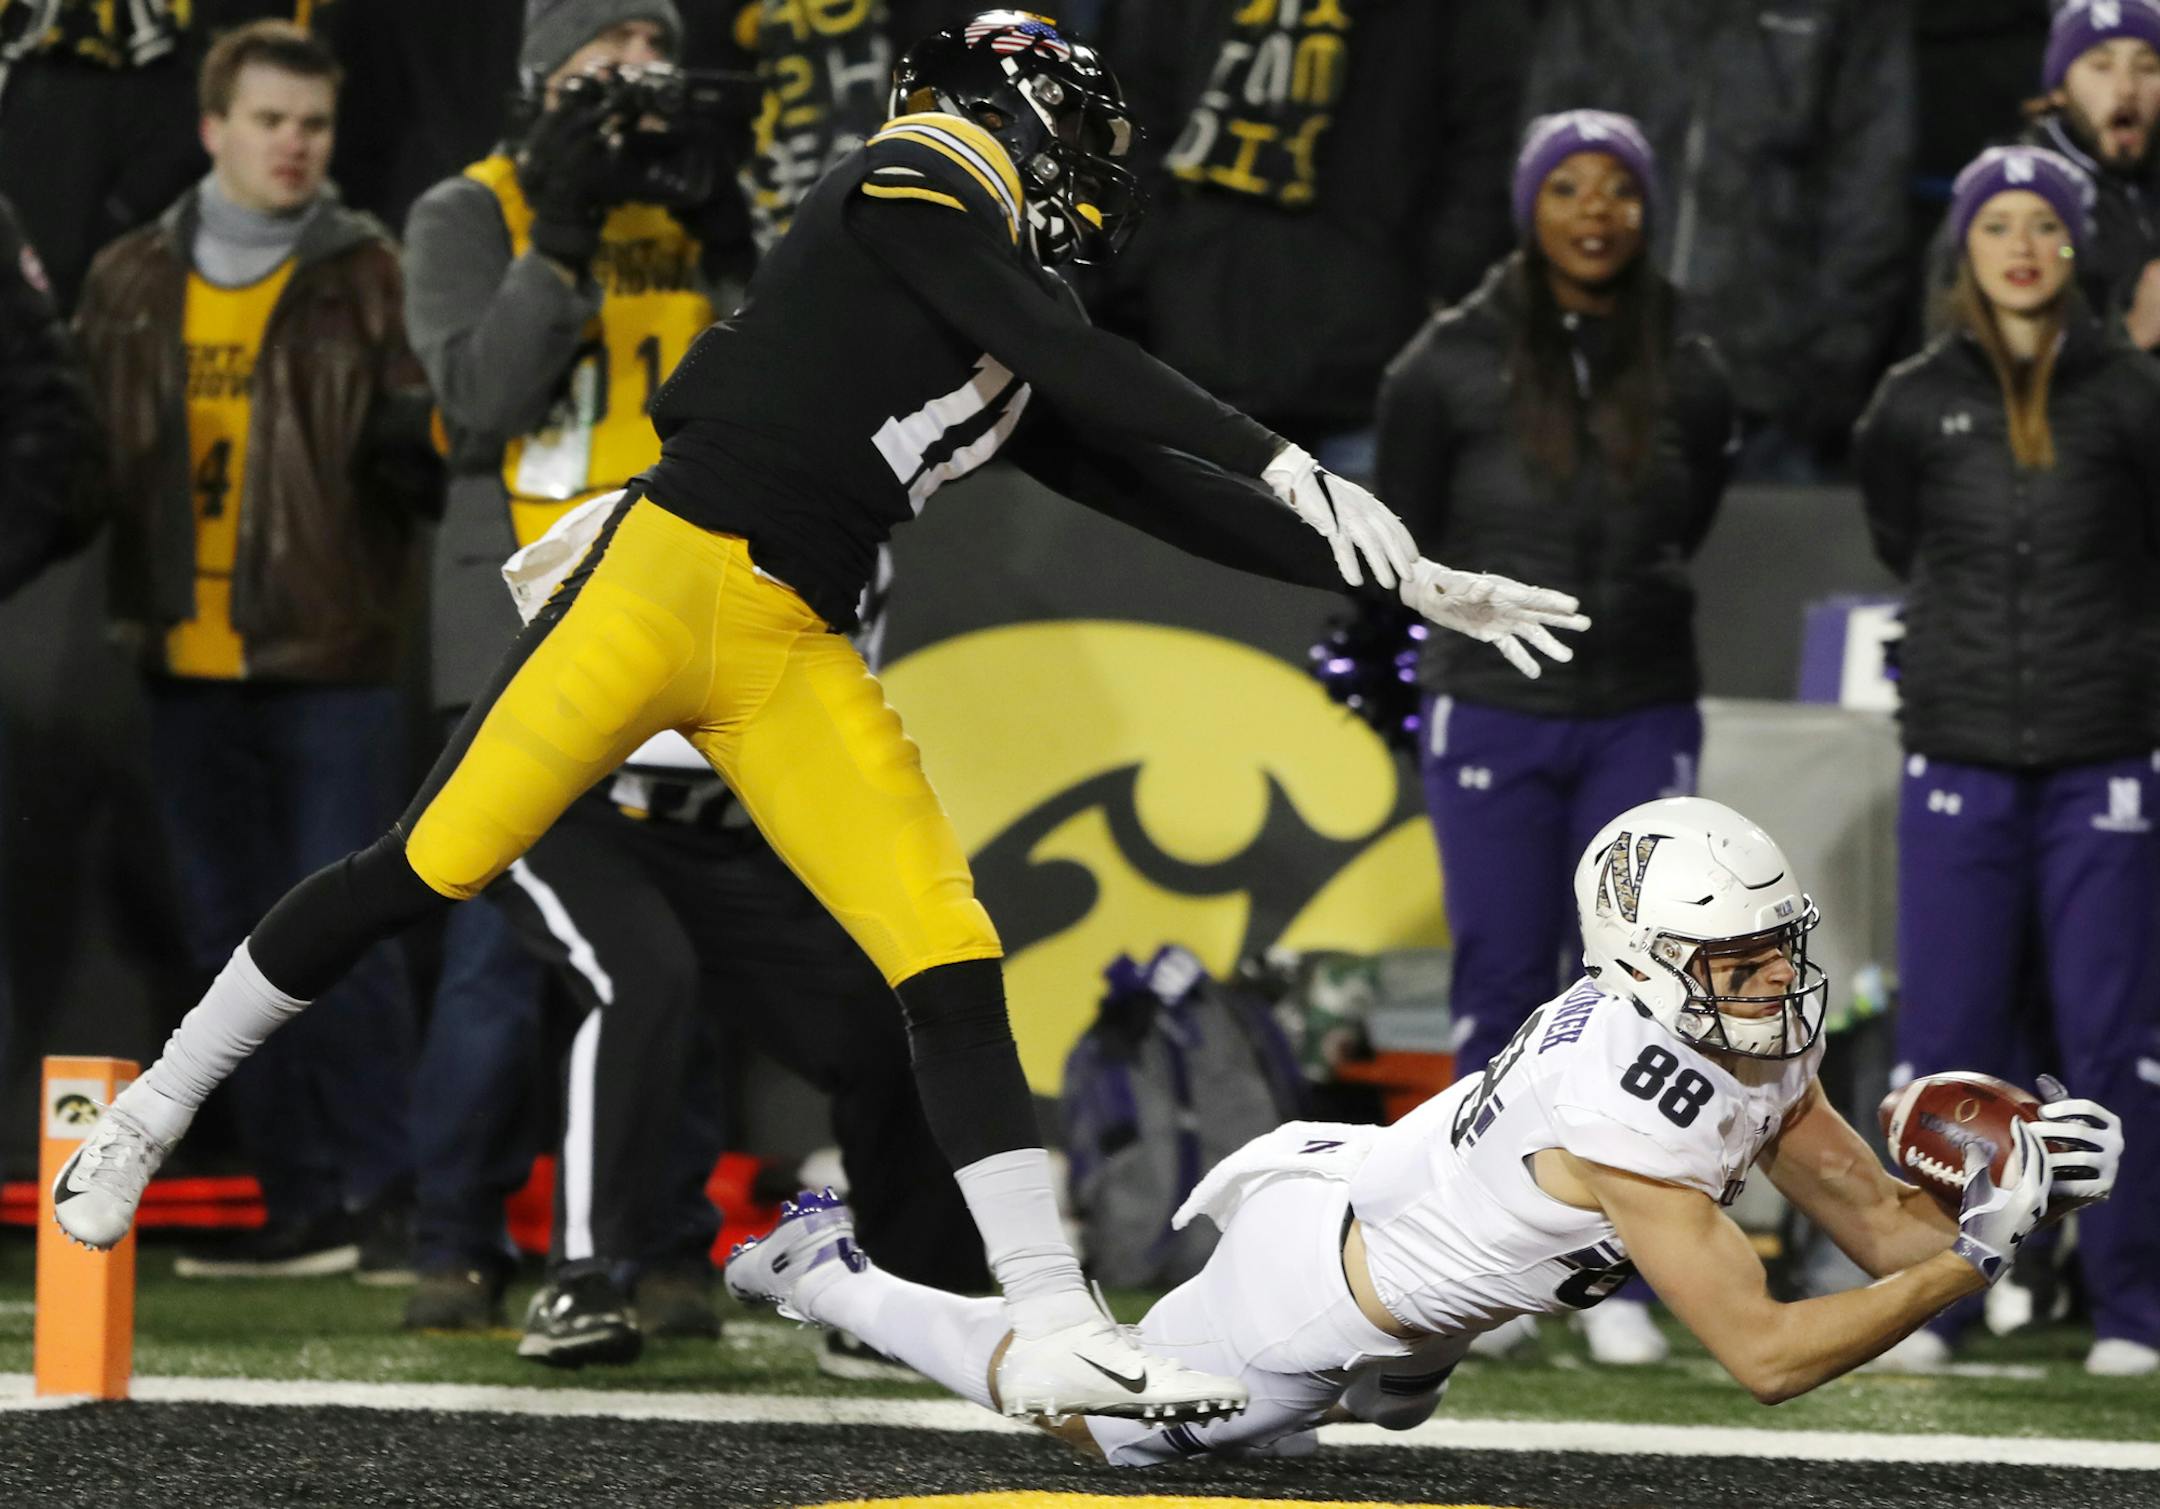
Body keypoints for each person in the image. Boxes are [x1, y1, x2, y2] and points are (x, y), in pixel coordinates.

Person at [53, 10, 1586, 1423]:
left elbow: (1138, 479)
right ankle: (152, 1114)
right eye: (1084, 148)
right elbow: (1079, 361)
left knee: (944, 943)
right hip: (666, 576)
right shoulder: (917, 175)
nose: (1096, 185)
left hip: (789, 636)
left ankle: (1052, 1315)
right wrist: (1279, 453)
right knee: (424, 865)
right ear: (1025, 120)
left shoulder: (996, 303)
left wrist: (1408, 581)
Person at [725, 797, 2126, 1463]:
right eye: (1736, 959)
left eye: (1779, 946)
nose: (1772, 981)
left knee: (1410, 1360)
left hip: (1394, 1193)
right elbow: (1764, 1356)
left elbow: (1879, 1223)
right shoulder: (1630, 1100)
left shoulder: (1739, 1027)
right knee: (1082, 1415)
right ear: (1646, 964)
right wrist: (1973, 1263)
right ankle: (826, 1271)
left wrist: (2019, 1193)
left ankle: (1405, 1374)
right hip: (1313, 1292)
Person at [67, 19, 438, 1280]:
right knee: (227, 940)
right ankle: (299, 1205)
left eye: (315, 125)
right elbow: (74, 455)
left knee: (350, 938)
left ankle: (388, 1197)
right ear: (212, 126)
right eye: (271, 120)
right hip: (183, 658)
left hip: (330, 658)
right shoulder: (124, 277)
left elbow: (431, 441)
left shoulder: (374, 270)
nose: (295, 144)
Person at [395, 0, 737, 1343]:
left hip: (669, 623)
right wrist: (561, 233)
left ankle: (665, 1244)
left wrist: (738, 234)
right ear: (544, 81)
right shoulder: (465, 211)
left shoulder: (703, 195)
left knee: (671, 951)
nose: (635, 86)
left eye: (653, 56)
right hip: (519, 631)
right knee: (496, 964)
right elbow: (476, 405)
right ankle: (455, 1240)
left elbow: (767, 379)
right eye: (606, 63)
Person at [1378, 110, 1735, 1366]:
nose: (1597, 210)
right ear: (1530, 205)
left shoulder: (1692, 357)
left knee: (1654, 998)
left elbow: (1692, 514)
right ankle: (1485, 1270)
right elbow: (1400, 544)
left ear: (1647, 207)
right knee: (1502, 981)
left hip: (1641, 704)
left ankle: (1626, 1276)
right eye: (1569, 187)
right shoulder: (1443, 361)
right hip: (1496, 706)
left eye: (1620, 189)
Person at [1855, 142, 2160, 1378]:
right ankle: (1939, 1298)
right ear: (1965, 248)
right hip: (1960, 753)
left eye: (2045, 224)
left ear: (2077, 246)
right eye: (1998, 226)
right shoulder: (1911, 403)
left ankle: (2135, 1306)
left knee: (2117, 1041)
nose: (2023, 245)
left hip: (2108, 756)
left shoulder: (2137, 397)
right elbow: (1897, 541)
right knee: (1949, 1047)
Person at [1094, 0, 1532, 480]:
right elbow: (1130, 117)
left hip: (1374, 369)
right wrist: (1154, 269)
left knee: (1371, 553)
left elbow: (1488, 132)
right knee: (1186, 552)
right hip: (1196, 352)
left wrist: (1439, 283)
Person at [1523, 0, 1915, 480]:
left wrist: (1828, 369)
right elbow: (1543, 166)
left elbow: (1870, 192)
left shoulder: (1850, 13)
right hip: (1602, 376)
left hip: (1772, 398)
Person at [2023, 0, 2160, 347]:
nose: (2127, 88)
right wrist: (2134, 336)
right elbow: (1979, 391)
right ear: (2058, 91)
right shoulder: (2011, 203)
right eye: (2101, 66)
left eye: (2147, 67)